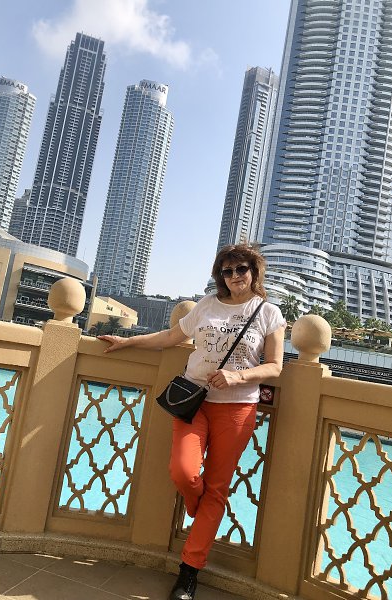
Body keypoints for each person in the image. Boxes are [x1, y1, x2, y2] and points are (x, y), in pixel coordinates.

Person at [98, 243, 286, 600]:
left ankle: (189, 572)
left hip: (237, 409)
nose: (235, 276)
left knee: (217, 489)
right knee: (183, 472)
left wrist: (237, 376)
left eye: (241, 269)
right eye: (227, 271)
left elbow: (275, 367)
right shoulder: (206, 305)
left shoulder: (268, 313)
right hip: (193, 402)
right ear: (220, 276)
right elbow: (171, 337)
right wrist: (127, 342)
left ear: (254, 272)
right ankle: (197, 504)